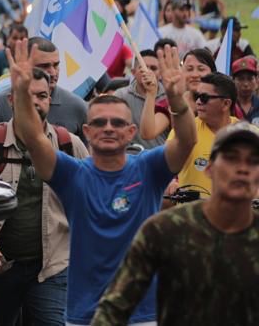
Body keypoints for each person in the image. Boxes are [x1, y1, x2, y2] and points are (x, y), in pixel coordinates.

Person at [9, 40, 197, 326]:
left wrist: (176, 100)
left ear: (132, 131)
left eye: (117, 123)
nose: (108, 127)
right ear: (86, 131)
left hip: (142, 315)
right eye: (100, 123)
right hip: (87, 316)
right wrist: (22, 93)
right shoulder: (72, 175)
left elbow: (186, 140)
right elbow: (34, 139)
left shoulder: (149, 169)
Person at [92, 122, 259, 325]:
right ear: (209, 168)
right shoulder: (165, 230)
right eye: (231, 158)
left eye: (253, 161)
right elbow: (114, 308)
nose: (242, 169)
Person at [0, 68, 89, 326]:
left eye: (42, 95)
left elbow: (90, 200)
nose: (36, 102)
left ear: (50, 100)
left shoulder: (69, 145)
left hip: (51, 268)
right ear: (11, 100)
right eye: (27, 95)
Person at [0, 37, 89, 142]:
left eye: (56, 65)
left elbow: (89, 161)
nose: (53, 72)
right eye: (44, 66)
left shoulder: (77, 107)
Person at [167, 71, 238, 199]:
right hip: (192, 215)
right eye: (197, 97)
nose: (198, 102)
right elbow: (165, 166)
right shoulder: (185, 131)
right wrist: (172, 182)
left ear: (226, 104)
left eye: (204, 97)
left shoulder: (250, 134)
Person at [140, 46, 216, 141]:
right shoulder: (172, 102)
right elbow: (148, 133)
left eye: (201, 69)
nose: (195, 75)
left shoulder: (222, 101)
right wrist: (151, 94)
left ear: (213, 72)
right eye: (189, 69)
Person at [112, 49, 168, 149]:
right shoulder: (120, 96)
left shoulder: (168, 97)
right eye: (143, 67)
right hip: (130, 157)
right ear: (133, 72)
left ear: (160, 73)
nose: (148, 71)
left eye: (153, 68)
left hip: (161, 157)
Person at [230, 55, 259, 124]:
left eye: (250, 79)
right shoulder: (228, 106)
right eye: (241, 79)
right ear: (233, 80)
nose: (246, 84)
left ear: (256, 80)